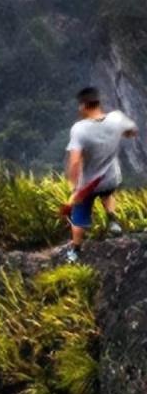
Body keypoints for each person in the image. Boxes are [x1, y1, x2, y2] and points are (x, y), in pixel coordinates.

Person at [63, 87, 138, 263]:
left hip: (89, 184)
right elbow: (131, 132)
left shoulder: (80, 129)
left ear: (83, 106)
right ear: (98, 103)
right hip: (111, 178)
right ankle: (113, 222)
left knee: (78, 217)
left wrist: (74, 189)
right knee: (107, 194)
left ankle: (75, 250)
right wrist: (122, 133)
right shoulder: (116, 118)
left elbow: (74, 162)